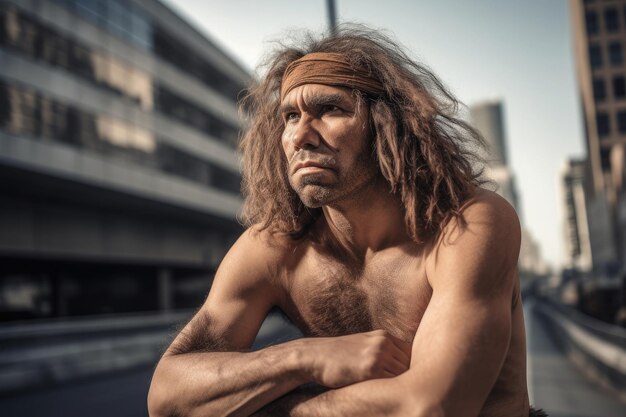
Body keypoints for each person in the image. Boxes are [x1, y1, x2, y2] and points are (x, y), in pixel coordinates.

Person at [148, 26, 546, 417]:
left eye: (330, 110)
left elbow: (428, 407)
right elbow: (167, 395)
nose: (301, 135)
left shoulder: (467, 225)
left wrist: (261, 409)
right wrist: (304, 358)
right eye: (290, 116)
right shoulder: (277, 248)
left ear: (388, 126)